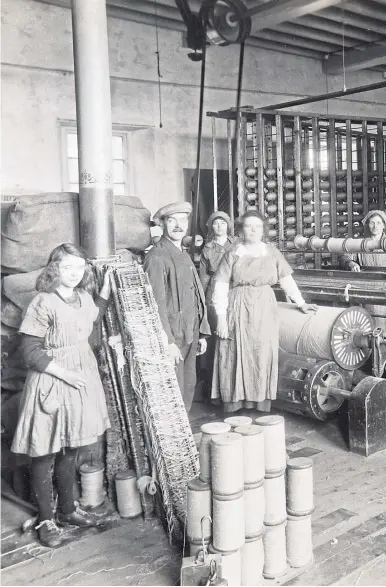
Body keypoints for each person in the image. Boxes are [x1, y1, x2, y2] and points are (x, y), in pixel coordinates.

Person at [11, 243, 111, 548]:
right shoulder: (42, 302)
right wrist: (65, 373)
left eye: (79, 268)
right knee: (44, 452)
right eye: (67, 267)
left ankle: (69, 511)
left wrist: (105, 289)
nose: (74, 273)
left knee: (71, 448)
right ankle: (46, 520)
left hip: (80, 379)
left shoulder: (82, 297)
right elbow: (28, 351)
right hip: (52, 381)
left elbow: (95, 315)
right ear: (54, 268)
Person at [211, 210, 316, 413]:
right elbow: (221, 286)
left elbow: (286, 280)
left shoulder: (272, 252)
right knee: (235, 351)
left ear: (263, 230)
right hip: (238, 305)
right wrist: (221, 318)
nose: (253, 229)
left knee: (262, 352)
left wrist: (301, 302)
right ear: (241, 229)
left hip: (265, 307)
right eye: (248, 226)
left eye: (257, 226)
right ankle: (235, 402)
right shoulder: (233, 253)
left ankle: (259, 401)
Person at [143, 201, 210, 413]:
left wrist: (200, 333)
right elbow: (155, 304)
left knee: (187, 386)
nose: (178, 226)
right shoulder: (156, 256)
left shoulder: (183, 254)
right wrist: (168, 342)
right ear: (162, 224)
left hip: (188, 333)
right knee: (173, 392)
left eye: (183, 220)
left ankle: (183, 439)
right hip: (173, 338)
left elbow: (195, 297)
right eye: (172, 221)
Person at [199, 212, 237, 392]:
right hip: (215, 294)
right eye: (216, 224)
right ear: (211, 227)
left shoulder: (237, 244)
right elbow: (204, 278)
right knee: (217, 337)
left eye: (223, 223)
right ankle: (215, 386)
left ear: (229, 226)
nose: (220, 226)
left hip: (235, 290)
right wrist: (206, 302)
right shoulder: (207, 249)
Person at [339, 210, 386, 329]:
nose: (375, 226)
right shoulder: (361, 243)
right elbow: (344, 256)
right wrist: (351, 263)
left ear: (384, 225)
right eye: (372, 223)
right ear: (368, 225)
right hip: (369, 289)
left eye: (379, 223)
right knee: (373, 326)